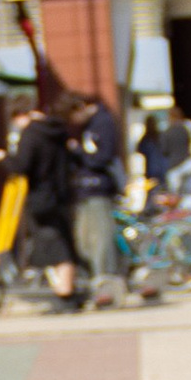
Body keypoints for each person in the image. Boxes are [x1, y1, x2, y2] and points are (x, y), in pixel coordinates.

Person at [10, 87, 83, 302]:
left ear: (19, 115)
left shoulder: (31, 133)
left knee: (53, 244)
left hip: (41, 197)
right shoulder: (57, 130)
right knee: (62, 239)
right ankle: (65, 286)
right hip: (62, 194)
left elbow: (22, 165)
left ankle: (64, 292)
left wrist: (3, 158)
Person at [69, 87, 125, 303]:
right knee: (85, 241)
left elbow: (102, 157)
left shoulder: (103, 123)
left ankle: (107, 288)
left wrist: (78, 152)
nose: (73, 121)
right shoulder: (90, 125)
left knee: (101, 240)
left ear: (81, 107)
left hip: (99, 188)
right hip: (86, 189)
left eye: (73, 115)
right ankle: (100, 284)